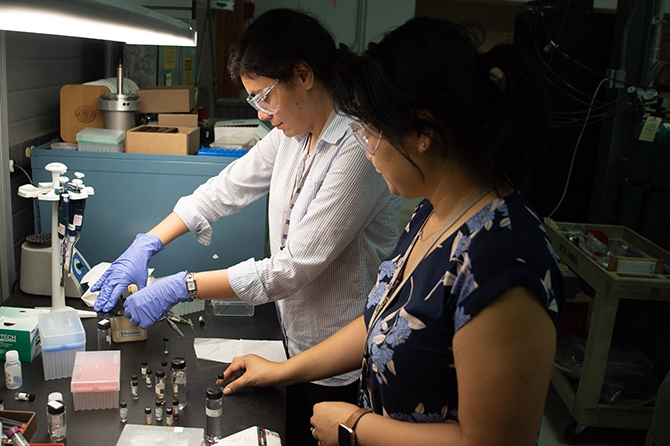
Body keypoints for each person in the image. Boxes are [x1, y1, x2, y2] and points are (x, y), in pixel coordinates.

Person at [217, 17, 564, 446]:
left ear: (423, 133)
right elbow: (382, 320)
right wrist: (282, 371)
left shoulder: (503, 259)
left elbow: (491, 442)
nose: (366, 150)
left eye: (369, 132)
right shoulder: (432, 213)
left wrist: (355, 427)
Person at [91, 9, 400, 446]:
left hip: (337, 361)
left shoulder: (355, 148)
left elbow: (290, 268)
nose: (264, 114)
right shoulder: (294, 133)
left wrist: (183, 286)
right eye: (255, 101)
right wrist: (147, 243)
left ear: (303, 75)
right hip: (293, 337)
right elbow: (223, 190)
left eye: (264, 97)